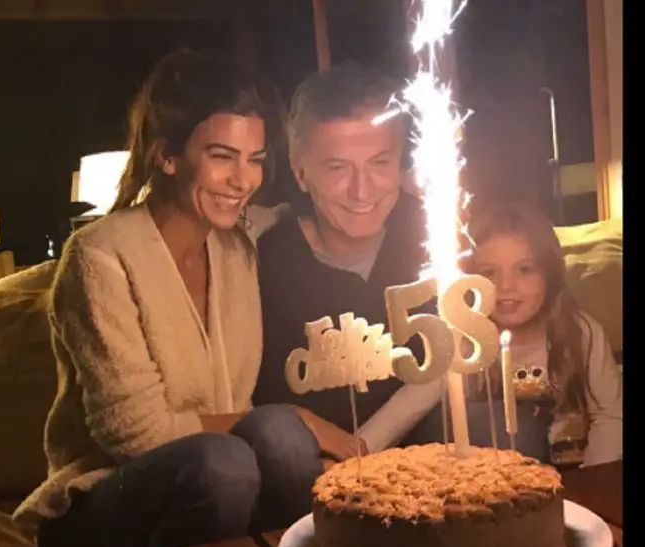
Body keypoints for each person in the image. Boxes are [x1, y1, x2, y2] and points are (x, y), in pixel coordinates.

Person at [13, 49, 323, 547]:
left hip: (220, 491)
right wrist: (301, 417)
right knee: (228, 459)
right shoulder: (99, 256)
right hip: (99, 501)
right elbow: (137, 434)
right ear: (168, 156)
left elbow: (306, 211)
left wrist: (402, 191)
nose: (244, 180)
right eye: (223, 156)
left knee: (283, 441)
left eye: (255, 158)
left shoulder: (237, 246)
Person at [252, 62, 442, 463]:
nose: (361, 190)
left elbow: (447, 365)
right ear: (300, 172)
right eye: (338, 167)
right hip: (308, 466)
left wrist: (360, 451)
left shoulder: (434, 237)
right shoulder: (267, 263)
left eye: (379, 163)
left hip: (414, 447)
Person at [412, 202, 622, 466]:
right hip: (497, 478)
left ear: (550, 274)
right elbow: (412, 402)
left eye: (524, 269)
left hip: (574, 474)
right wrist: (364, 444)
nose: (506, 286)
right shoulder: (464, 341)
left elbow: (610, 416)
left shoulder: (582, 333)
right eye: (489, 272)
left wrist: (593, 476)